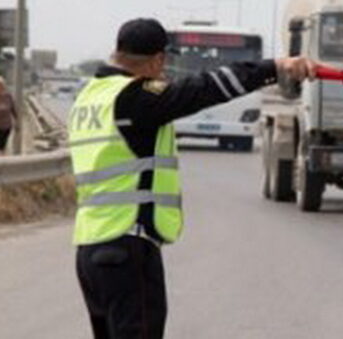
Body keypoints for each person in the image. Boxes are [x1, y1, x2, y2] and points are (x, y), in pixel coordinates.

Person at [69, 18, 316, 338]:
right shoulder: (134, 97)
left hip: (89, 248)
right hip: (127, 242)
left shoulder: (89, 97)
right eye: (164, 63)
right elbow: (204, 88)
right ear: (157, 59)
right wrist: (276, 66)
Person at [0, 76, 17, 157]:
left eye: (0, 85)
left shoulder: (8, 97)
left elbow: (13, 110)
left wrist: (17, 122)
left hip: (5, 127)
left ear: (3, 86)